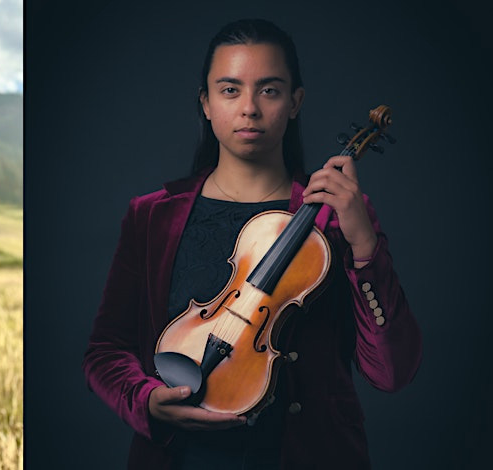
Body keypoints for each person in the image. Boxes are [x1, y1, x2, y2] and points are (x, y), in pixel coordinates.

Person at [82, 19, 422, 469]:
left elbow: (392, 371)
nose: (249, 109)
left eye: (269, 90)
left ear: (295, 101)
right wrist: (146, 400)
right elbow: (106, 350)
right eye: (229, 90)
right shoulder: (151, 215)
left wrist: (363, 242)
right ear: (205, 103)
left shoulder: (338, 215)